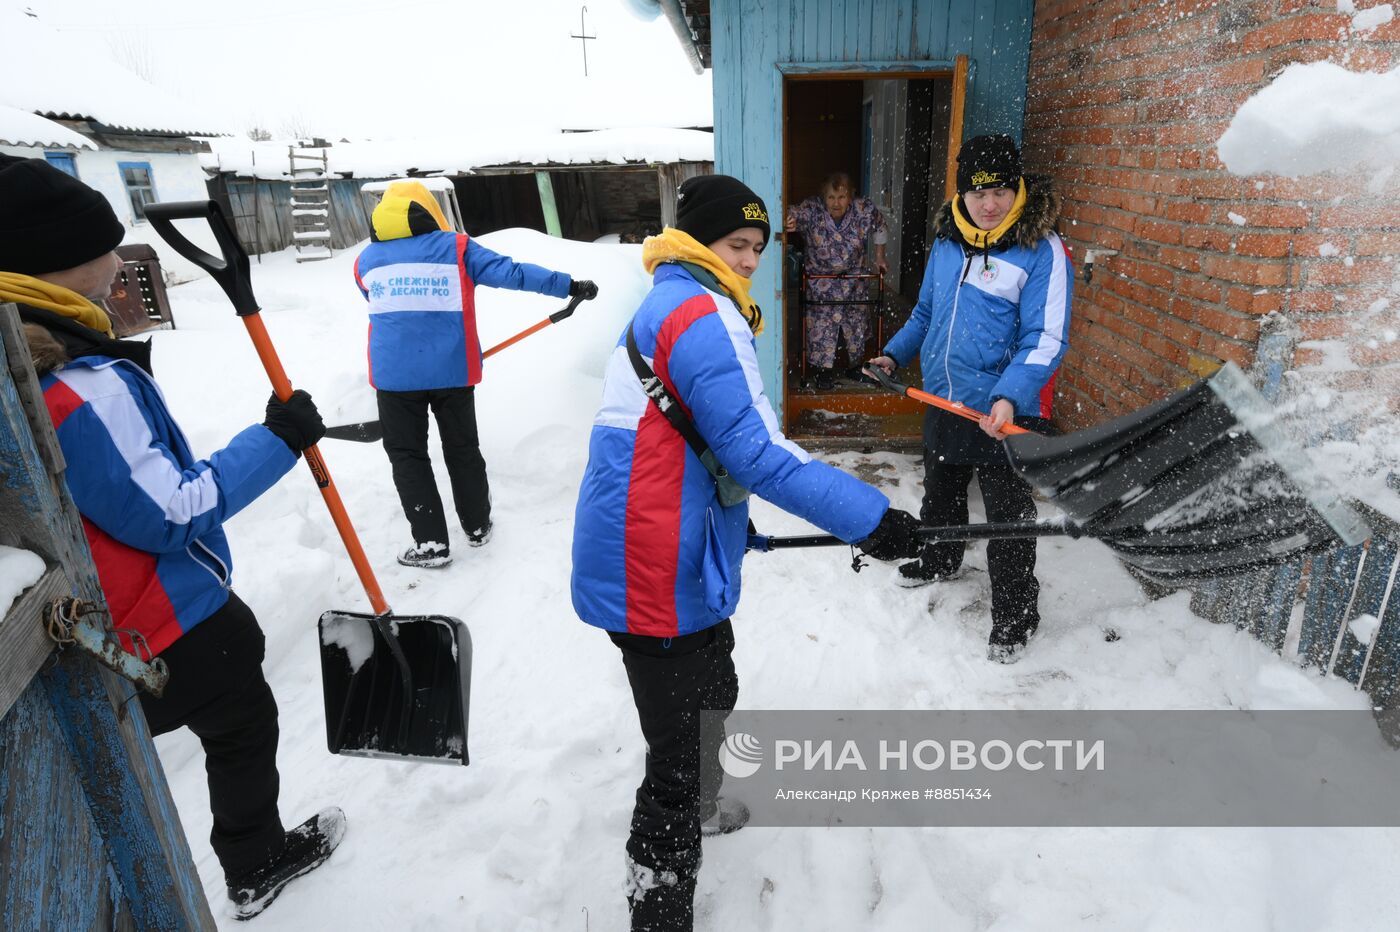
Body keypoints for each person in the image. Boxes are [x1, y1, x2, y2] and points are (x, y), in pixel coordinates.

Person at [571, 174, 923, 932]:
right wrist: (872, 519)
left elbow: (685, 451)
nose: (749, 261)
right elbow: (757, 455)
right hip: (652, 560)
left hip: (660, 542)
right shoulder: (701, 312)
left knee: (712, 688)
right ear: (699, 240)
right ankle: (657, 903)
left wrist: (732, 532)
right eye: (737, 245)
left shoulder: (677, 301)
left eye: (758, 249)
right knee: (679, 745)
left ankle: (695, 808)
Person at [0, 152, 344, 920]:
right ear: (55, 266)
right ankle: (255, 864)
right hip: (161, 621)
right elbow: (173, 511)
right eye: (105, 248)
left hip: (88, 624)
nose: (122, 260)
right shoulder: (81, 384)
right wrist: (279, 440)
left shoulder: (22, 367)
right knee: (241, 716)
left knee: (121, 749)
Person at [868, 134, 1072, 664]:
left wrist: (1008, 397)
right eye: (979, 193)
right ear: (961, 193)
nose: (990, 204)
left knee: (1006, 516)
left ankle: (1015, 613)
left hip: (1005, 411)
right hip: (945, 399)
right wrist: (893, 355)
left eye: (1001, 191)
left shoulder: (1041, 249)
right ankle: (940, 557)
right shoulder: (947, 241)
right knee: (941, 486)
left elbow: (1044, 340)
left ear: (1017, 188)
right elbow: (927, 315)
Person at [352, 181, 598, 568]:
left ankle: (431, 544)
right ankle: (478, 526)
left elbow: (377, 301)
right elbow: (512, 273)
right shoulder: (457, 248)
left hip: (394, 378)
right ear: (430, 212)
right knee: (462, 449)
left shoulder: (365, 260)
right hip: (452, 371)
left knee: (407, 457)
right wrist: (568, 285)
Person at [784, 172, 889, 389]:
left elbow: (880, 226)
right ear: (824, 197)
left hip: (854, 280)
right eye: (831, 197)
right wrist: (788, 219)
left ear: (850, 197)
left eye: (841, 197)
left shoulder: (863, 210)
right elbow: (791, 213)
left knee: (855, 325)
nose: (836, 203)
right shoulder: (812, 209)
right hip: (821, 281)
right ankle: (823, 372)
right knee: (821, 327)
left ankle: (855, 367)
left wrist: (879, 257)